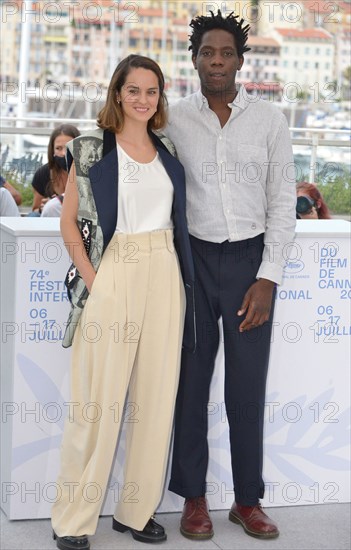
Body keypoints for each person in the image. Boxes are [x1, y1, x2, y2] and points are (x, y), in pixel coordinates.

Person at [51, 55, 195, 550]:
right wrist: (96, 281)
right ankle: (72, 519)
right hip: (115, 267)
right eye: (133, 90)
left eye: (151, 91)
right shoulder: (90, 148)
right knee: (97, 402)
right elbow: (68, 222)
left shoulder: (167, 147)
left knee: (154, 401)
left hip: (164, 269)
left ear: (160, 97)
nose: (142, 99)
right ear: (117, 94)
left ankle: (135, 511)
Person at [163, 10, 296, 541]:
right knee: (191, 386)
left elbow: (282, 203)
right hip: (192, 266)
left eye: (225, 54)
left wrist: (268, 277)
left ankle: (246, 501)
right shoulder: (172, 119)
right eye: (206, 53)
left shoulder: (269, 121)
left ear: (241, 61)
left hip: (249, 266)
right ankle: (194, 499)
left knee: (247, 387)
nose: (216, 62)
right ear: (194, 59)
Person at [29, 124, 80, 215]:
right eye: (58, 148)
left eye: (69, 147)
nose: (64, 153)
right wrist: (43, 208)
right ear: (52, 150)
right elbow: (35, 210)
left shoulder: (89, 172)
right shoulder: (43, 173)